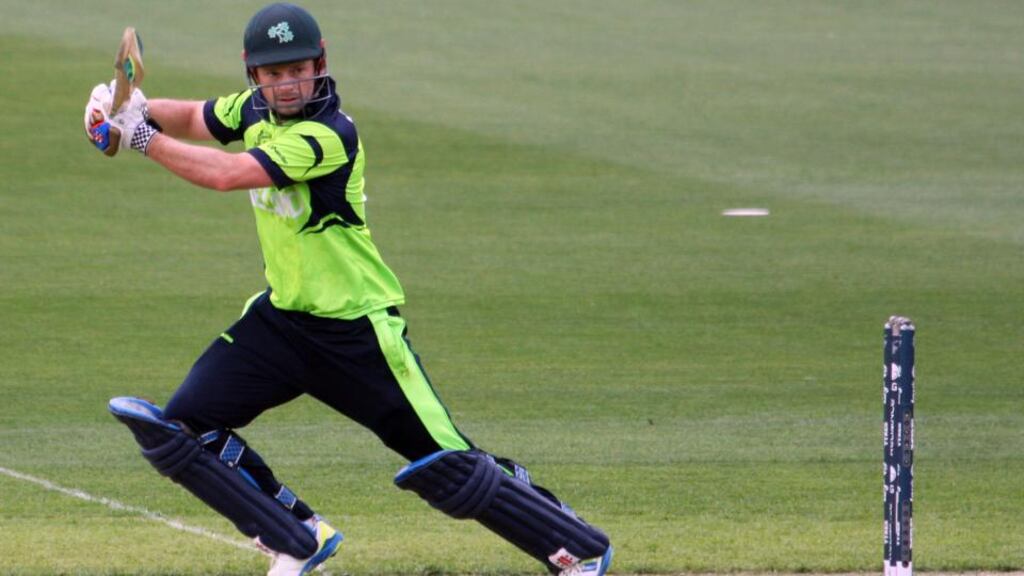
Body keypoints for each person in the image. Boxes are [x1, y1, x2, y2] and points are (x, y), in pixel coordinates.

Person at [84, 3, 613, 576]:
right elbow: (193, 116)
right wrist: (131, 108)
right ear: (253, 73)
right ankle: (296, 535)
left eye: (298, 70)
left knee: (446, 461)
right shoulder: (254, 108)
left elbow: (225, 174)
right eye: (273, 73)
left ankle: (575, 542)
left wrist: (138, 138)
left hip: (357, 330)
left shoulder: (328, 134)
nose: (287, 84)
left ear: (320, 63)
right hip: (281, 324)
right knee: (183, 429)